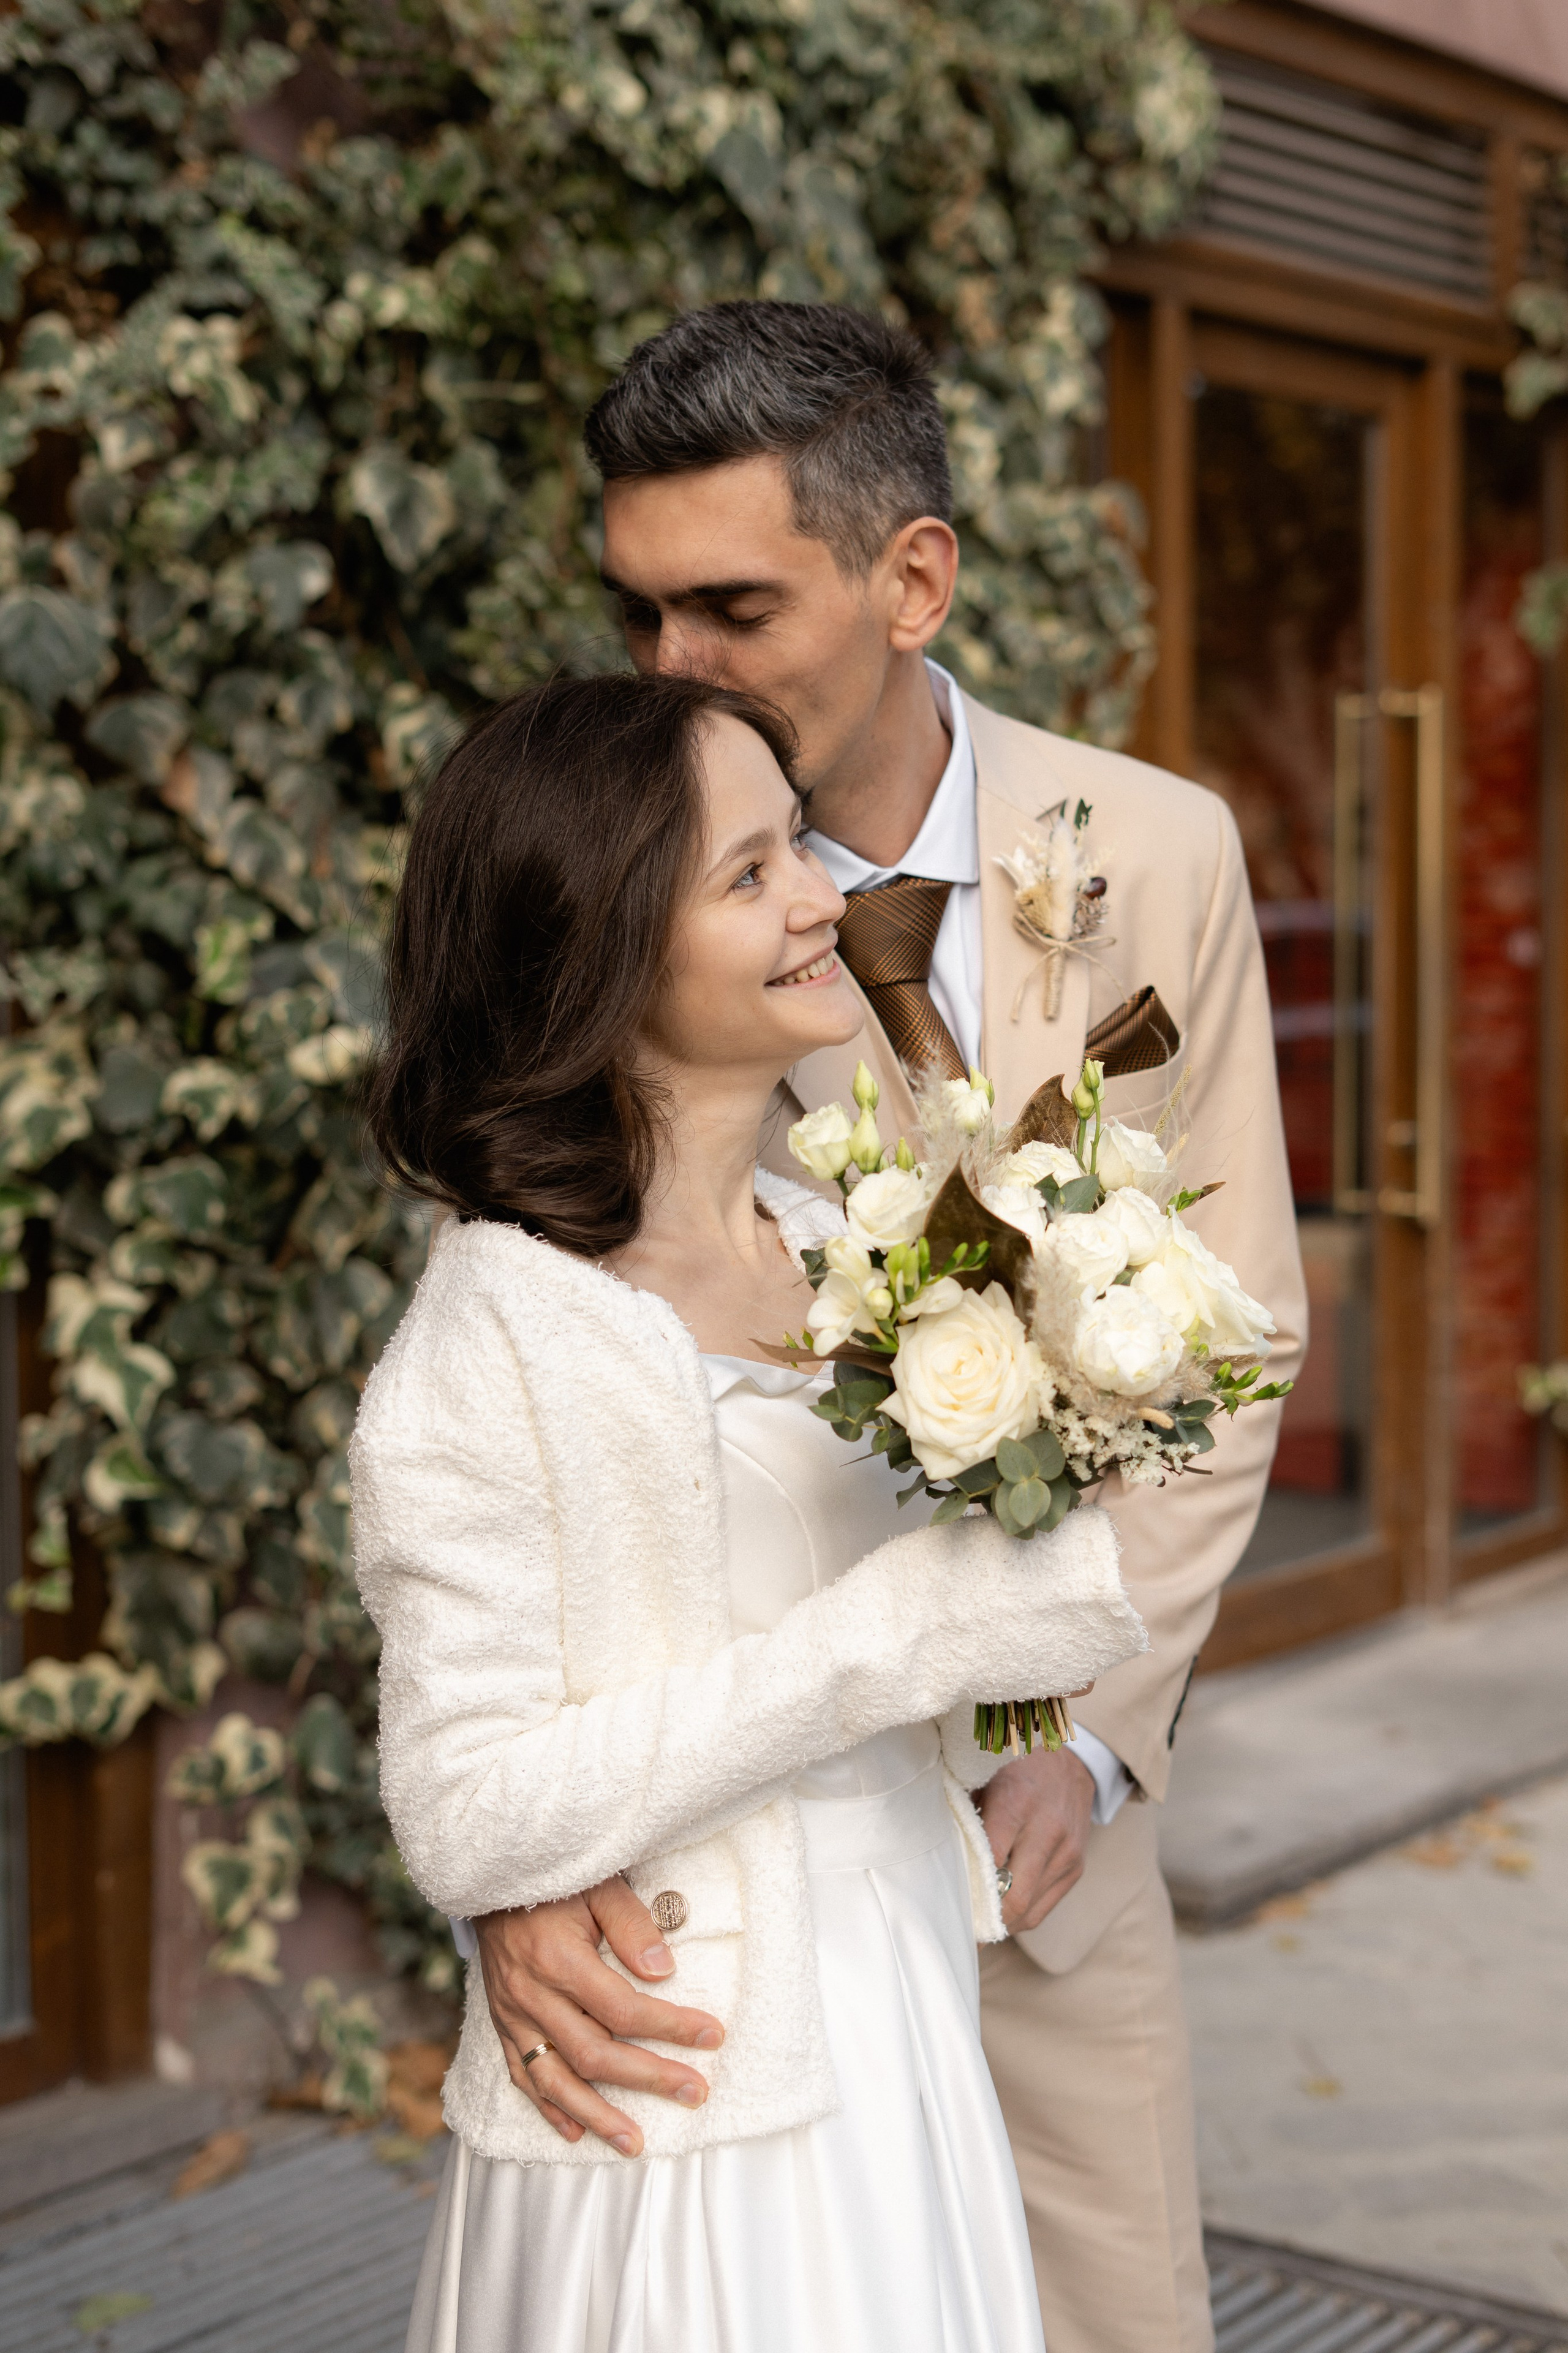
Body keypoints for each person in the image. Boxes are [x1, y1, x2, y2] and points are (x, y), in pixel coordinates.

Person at [463, 303, 1309, 2353]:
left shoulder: (1161, 852)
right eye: (641, 609)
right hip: (701, 1888)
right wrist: (512, 1857)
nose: (669, 669)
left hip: (1047, 1842)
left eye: (730, 605)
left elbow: (1238, 1328)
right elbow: (494, 1416)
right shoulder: (583, 888)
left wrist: (1098, 1748)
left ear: (910, 574)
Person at [352, 670, 1146, 2352]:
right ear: (601, 948)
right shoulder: (496, 1337)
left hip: (902, 2012)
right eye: (751, 873)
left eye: (801, 844)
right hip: (686, 2097)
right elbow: (468, 1807)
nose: (825, 901)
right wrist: (892, 1641)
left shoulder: (846, 1232)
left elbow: (971, 1615)